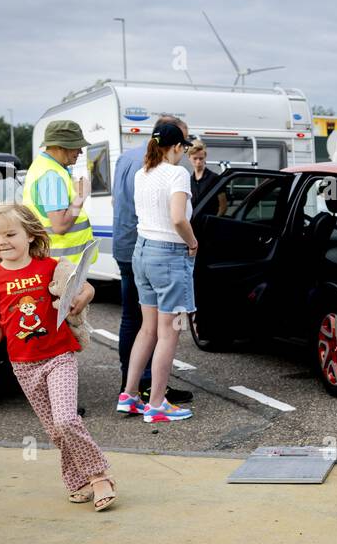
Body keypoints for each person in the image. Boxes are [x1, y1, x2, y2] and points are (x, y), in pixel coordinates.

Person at [0, 202, 116, 511]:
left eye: (10, 234)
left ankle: (100, 476)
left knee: (67, 420)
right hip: (23, 365)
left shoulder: (50, 266)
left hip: (59, 355)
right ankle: (77, 482)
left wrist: (82, 298)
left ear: (30, 235)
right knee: (56, 431)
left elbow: (86, 289)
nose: (2, 242)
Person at [112, 117, 194, 405]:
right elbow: (177, 219)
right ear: (175, 147)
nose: (184, 152)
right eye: (183, 146)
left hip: (141, 253)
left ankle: (129, 394)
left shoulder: (142, 173)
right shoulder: (177, 174)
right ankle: (158, 404)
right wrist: (193, 242)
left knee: (146, 329)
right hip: (169, 254)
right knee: (169, 333)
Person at [22, 120, 98, 265]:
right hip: (62, 267)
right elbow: (60, 226)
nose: (81, 152)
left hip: (56, 263)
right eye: (77, 147)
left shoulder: (42, 166)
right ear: (61, 146)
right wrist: (81, 195)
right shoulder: (52, 175)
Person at [187, 140, 227, 216]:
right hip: (193, 224)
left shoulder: (215, 178)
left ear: (205, 157)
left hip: (209, 224)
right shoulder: (189, 181)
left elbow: (223, 207)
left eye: (201, 158)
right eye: (195, 158)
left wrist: (213, 223)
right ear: (189, 158)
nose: (198, 162)